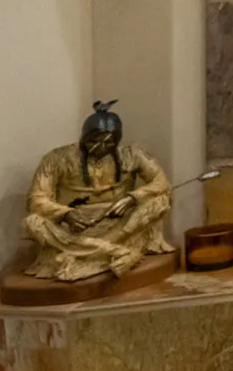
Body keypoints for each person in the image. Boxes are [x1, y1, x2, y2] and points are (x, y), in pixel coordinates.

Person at [20, 100, 174, 283]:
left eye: (108, 143)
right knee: (33, 222)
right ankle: (115, 252)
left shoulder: (131, 154)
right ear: (84, 136)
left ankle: (91, 252)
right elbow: (36, 199)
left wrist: (133, 198)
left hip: (121, 223)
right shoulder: (57, 158)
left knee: (160, 201)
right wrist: (65, 214)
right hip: (74, 229)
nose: (100, 148)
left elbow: (161, 181)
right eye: (94, 141)